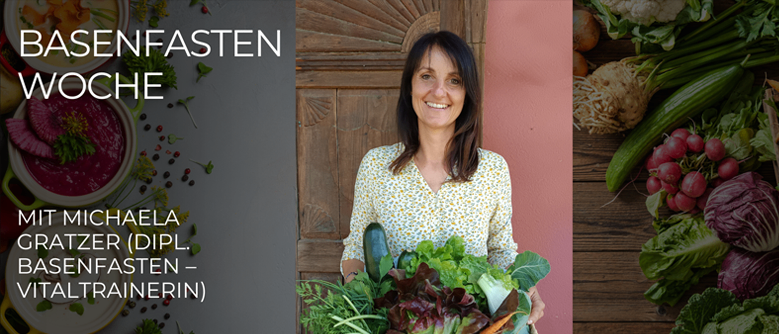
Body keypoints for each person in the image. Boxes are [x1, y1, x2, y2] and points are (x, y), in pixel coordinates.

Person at [339, 31, 545, 326]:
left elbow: (501, 250)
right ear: (409, 85)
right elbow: (357, 249)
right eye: (426, 76)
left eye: (454, 80)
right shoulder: (376, 167)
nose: (439, 91)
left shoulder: (492, 170)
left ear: (466, 93)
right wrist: (359, 304)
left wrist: (527, 289)